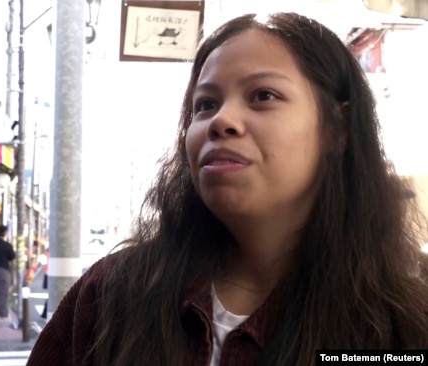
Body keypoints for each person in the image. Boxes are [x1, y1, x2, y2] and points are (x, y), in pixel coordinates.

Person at [27, 12, 428, 366]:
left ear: (338, 129)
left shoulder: (402, 326)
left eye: (263, 96)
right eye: (205, 104)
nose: (222, 121)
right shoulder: (110, 294)